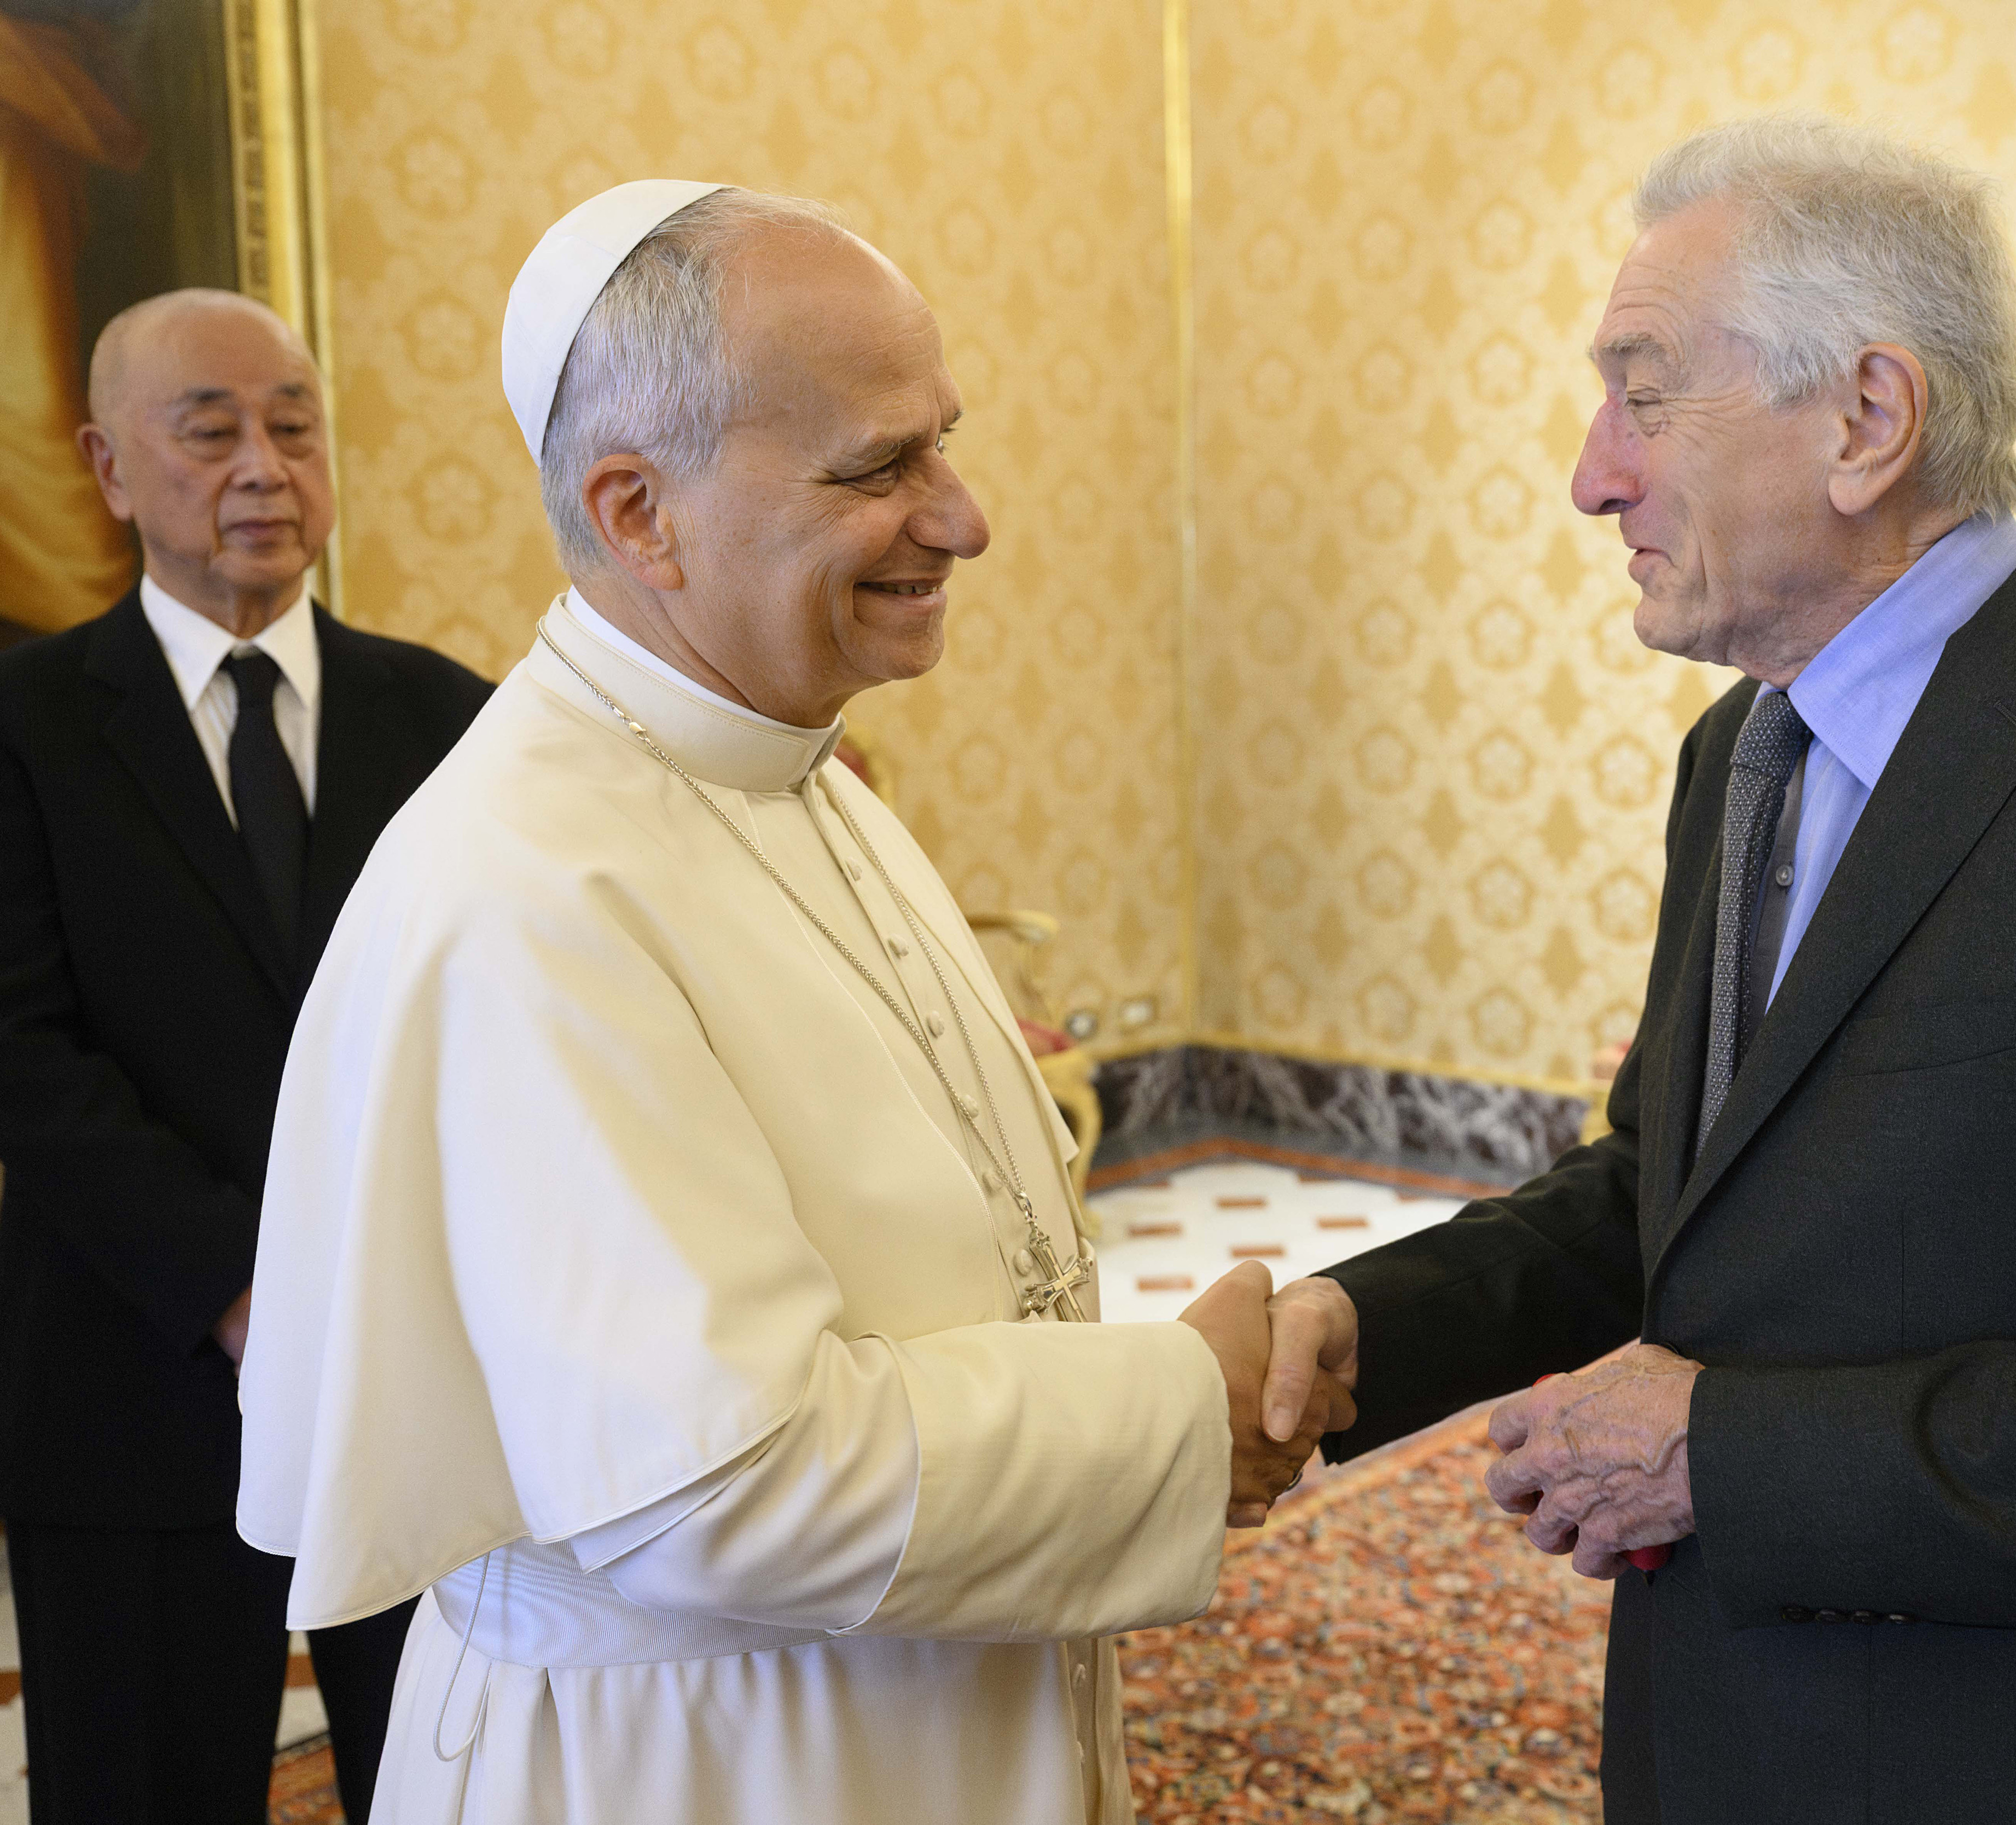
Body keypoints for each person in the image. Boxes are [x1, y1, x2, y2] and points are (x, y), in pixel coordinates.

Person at [1261, 116, 2016, 1824]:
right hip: (1729, 1731)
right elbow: (1678, 1188)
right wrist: (1362, 1326)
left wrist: (1719, 1458)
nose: (1593, 473)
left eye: (1643, 395)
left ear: (1867, 421)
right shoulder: (1740, 753)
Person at [235, 182, 1344, 1825]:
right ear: (639, 512)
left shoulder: (794, 771)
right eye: (879, 469)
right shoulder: (530, 888)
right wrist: (1179, 1405)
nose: (963, 518)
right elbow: (725, 1488)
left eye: (942, 445)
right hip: (703, 1766)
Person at [0, 289, 493, 1824]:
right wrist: (237, 1285)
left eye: (294, 422)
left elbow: (503, 1026)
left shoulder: (456, 719)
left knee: (458, 1776)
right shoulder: (24, 726)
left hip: (421, 1368)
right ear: (107, 464)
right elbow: (24, 1053)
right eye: (209, 428)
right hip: (128, 1379)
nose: (264, 464)